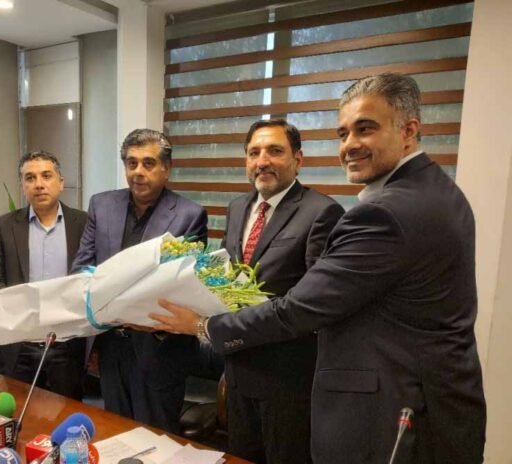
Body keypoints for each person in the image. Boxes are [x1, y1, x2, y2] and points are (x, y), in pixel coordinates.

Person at [151, 73, 487, 463]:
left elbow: (300, 308)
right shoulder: (436, 190)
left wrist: (202, 326)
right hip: (427, 396)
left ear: (408, 131)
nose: (350, 145)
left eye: (365, 129)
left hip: (395, 407)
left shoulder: (383, 212)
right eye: (343, 133)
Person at [219, 119, 343, 463]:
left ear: (298, 159)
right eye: (254, 153)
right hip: (238, 367)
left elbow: (314, 304)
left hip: (287, 379)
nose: (263, 161)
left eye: (275, 151)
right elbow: (228, 277)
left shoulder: (322, 211)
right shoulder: (237, 208)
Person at [71, 128, 207, 433]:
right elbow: (82, 267)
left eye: (148, 163)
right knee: (116, 431)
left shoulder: (190, 215)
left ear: (166, 168)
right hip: (109, 345)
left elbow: (184, 286)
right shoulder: (101, 205)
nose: (138, 172)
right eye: (131, 163)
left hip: (157, 349)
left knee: (156, 437)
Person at [0, 151, 87, 400]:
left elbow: (94, 275)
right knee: (21, 411)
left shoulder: (83, 223)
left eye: (46, 176)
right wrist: (7, 313)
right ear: (22, 186)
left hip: (68, 343)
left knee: (68, 411)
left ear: (60, 183)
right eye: (30, 178)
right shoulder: (4, 226)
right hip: (21, 343)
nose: (39, 184)